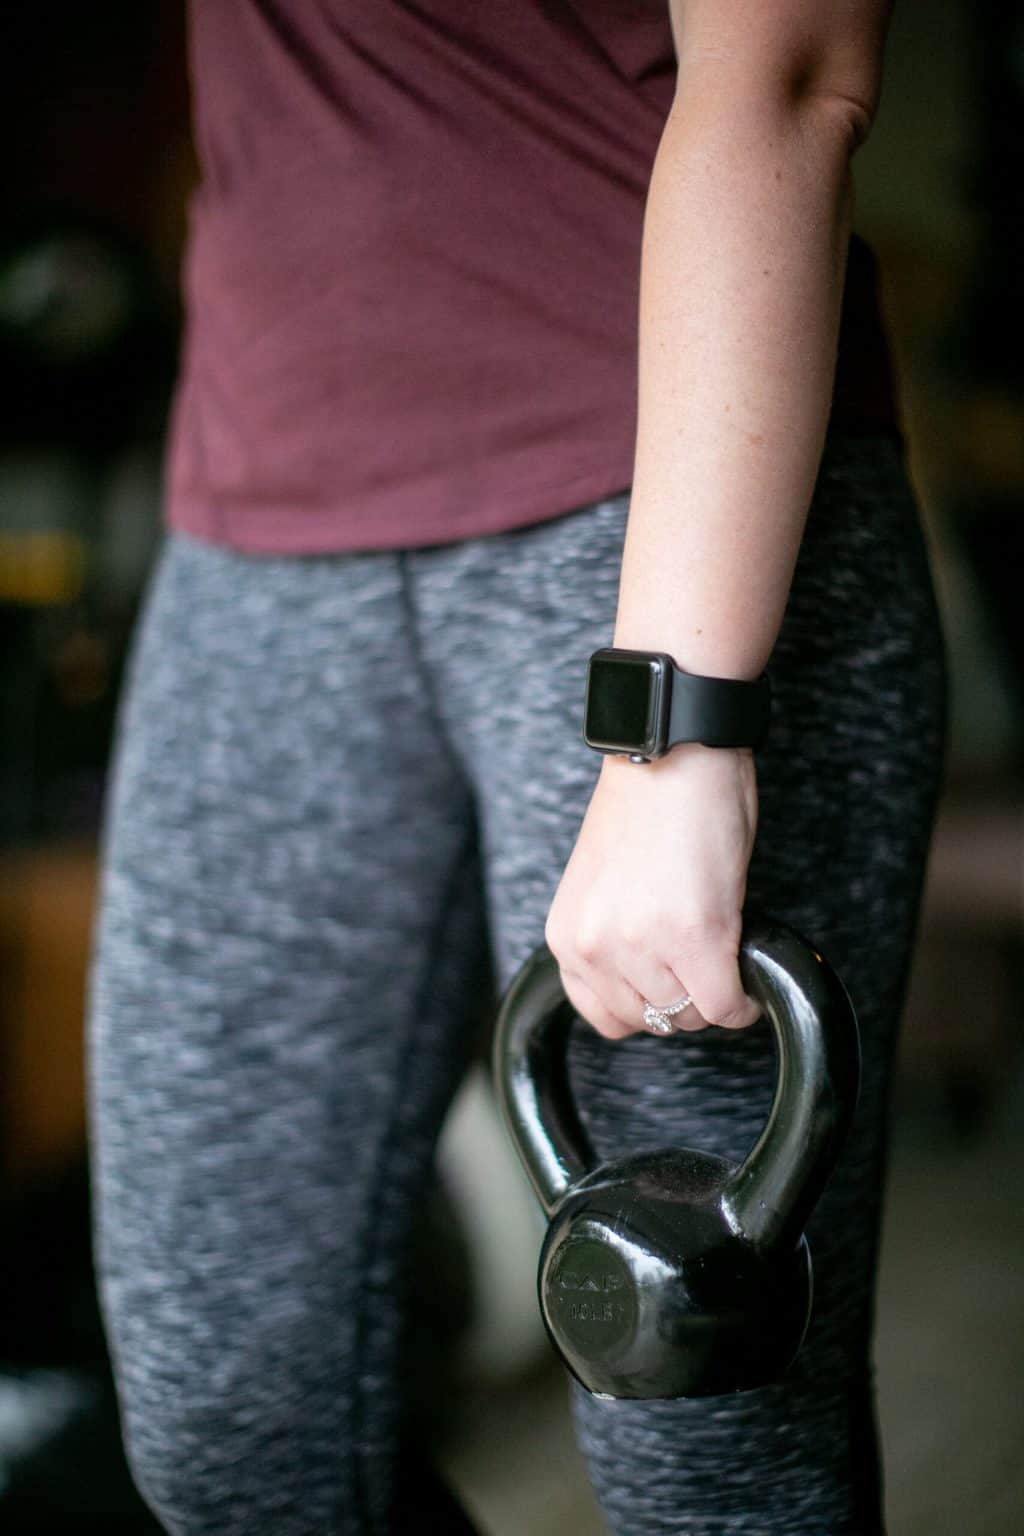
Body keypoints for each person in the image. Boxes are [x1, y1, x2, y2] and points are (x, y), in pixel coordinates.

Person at [85, 2, 948, 1533]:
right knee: (234, 1431)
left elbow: (794, 78)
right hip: (257, 525)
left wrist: (679, 731)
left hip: (649, 508)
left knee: (703, 1448)